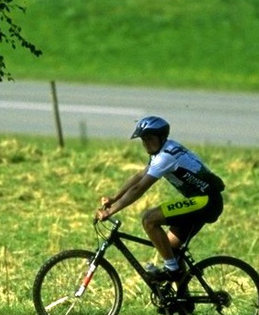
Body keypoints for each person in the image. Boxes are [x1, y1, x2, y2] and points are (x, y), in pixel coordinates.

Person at [95, 115, 225, 282]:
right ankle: (183, 302)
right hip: (203, 201)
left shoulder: (166, 157)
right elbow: (139, 176)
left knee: (149, 219)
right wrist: (114, 198)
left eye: (149, 139)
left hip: (206, 202)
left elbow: (139, 188)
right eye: (143, 140)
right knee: (170, 249)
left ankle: (172, 270)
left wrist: (111, 211)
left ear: (162, 137)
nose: (145, 144)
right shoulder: (164, 149)